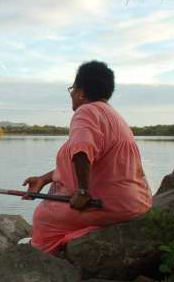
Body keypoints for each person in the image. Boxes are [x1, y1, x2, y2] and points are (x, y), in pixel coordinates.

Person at [23, 61, 152, 254]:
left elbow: (82, 152)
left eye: (72, 89)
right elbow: (82, 160)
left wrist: (83, 192)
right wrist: (43, 179)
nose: (72, 94)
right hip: (137, 202)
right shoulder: (113, 116)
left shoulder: (86, 112)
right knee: (55, 203)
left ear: (81, 92)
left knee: (43, 216)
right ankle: (75, 239)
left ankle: (40, 256)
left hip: (110, 204)